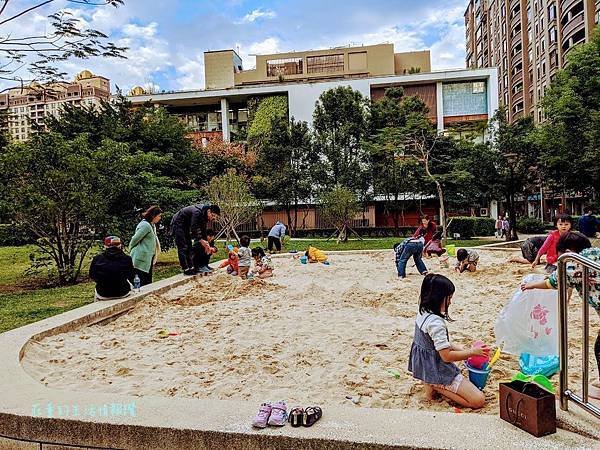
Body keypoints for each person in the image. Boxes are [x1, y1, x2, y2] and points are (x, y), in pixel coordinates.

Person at [521, 231, 600, 400]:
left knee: (599, 347)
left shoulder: (572, 264)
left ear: (567, 252)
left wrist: (531, 285)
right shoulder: (595, 254)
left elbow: (552, 282)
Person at [408, 274, 487, 409]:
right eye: (448, 298)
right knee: (478, 400)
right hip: (437, 370)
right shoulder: (435, 323)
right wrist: (471, 353)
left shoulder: (423, 311)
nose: (450, 302)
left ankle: (431, 384)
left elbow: (434, 344)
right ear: (437, 298)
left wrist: (461, 349)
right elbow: (446, 356)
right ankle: (437, 386)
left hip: (424, 367)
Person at [170, 204, 220, 275]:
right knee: (183, 247)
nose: (213, 218)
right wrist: (201, 240)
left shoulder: (204, 215)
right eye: (213, 215)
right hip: (178, 224)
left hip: (186, 226)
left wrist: (206, 244)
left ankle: (192, 268)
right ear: (209, 211)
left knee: (189, 246)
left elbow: (203, 231)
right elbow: (194, 228)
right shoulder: (197, 212)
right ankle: (186, 269)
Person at [89, 236, 134, 301]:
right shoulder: (127, 259)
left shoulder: (97, 259)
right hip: (123, 293)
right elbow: (131, 276)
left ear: (105, 246)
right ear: (120, 245)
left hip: (103, 294)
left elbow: (92, 275)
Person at [129, 205, 162, 286]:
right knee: (141, 282)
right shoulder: (145, 225)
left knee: (148, 282)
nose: (160, 218)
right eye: (159, 216)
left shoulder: (151, 225)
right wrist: (132, 250)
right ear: (153, 216)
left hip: (148, 258)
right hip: (141, 258)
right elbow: (134, 240)